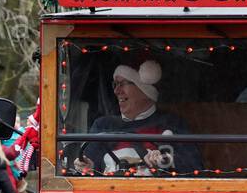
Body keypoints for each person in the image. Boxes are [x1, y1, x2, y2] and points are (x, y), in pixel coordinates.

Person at [72, 60, 201, 175]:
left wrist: (165, 161)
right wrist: (86, 166)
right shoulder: (104, 125)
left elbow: (194, 167)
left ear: (145, 90)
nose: (117, 91)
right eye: (115, 84)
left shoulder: (171, 123)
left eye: (122, 84)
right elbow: (87, 166)